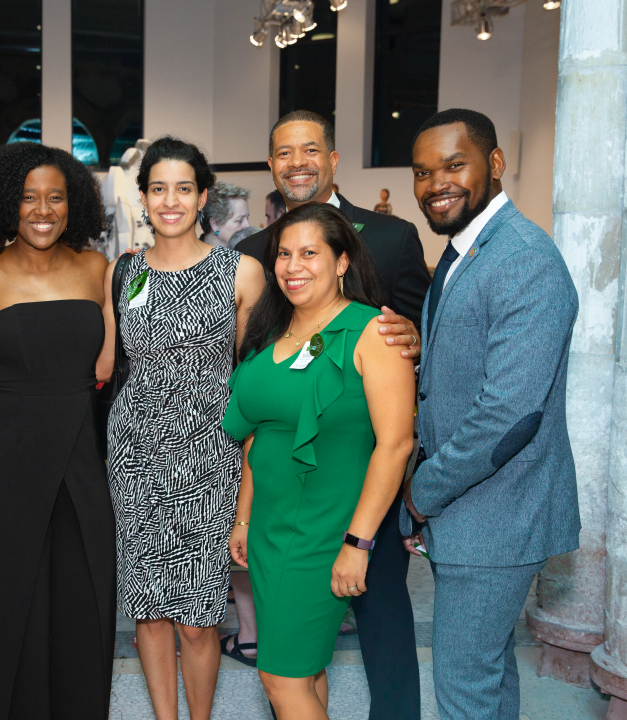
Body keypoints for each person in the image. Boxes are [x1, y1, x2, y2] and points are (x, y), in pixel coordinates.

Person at [234, 109, 428, 720]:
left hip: (342, 511)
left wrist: (359, 540)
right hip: (271, 522)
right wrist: (242, 516)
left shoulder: (386, 259)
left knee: (287, 674)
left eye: (310, 254)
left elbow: (397, 432)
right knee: (303, 667)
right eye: (285, 255)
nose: (293, 266)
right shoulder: (259, 287)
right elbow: (256, 432)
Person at [402, 109, 579, 720]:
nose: (435, 184)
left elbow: (509, 414)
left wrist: (423, 492)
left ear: (495, 164)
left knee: (462, 689)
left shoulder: (523, 256)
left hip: (496, 513)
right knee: (489, 674)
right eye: (422, 172)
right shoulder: (468, 252)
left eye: (454, 165)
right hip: (479, 512)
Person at [104, 137, 266, 720]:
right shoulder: (123, 272)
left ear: (202, 196)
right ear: (143, 197)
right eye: (157, 188)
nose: (169, 201)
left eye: (183, 188)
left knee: (198, 619)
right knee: (147, 610)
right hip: (136, 455)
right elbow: (101, 364)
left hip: (210, 457)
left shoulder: (241, 271)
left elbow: (258, 382)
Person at [0, 142, 116, 720]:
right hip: (6, 453)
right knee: (11, 595)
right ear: (7, 203)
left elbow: (113, 361)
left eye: (56, 196)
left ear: (73, 203)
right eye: (28, 197)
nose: (43, 209)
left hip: (82, 446)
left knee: (85, 591)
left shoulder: (96, 268)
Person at [202, 181, 251, 247]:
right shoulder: (190, 256)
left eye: (247, 218)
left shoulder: (248, 253)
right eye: (240, 220)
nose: (248, 226)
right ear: (215, 224)